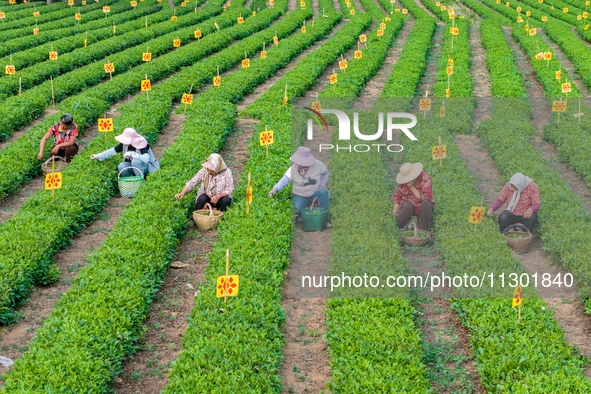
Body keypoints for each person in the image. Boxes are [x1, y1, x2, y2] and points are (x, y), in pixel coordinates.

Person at [268, 146, 329, 214]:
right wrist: (275, 189)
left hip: (314, 193)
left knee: (324, 192)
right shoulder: (293, 169)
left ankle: (323, 215)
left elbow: (325, 173)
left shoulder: (318, 165)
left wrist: (322, 184)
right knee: (296, 209)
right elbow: (284, 180)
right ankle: (301, 215)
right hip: (300, 195)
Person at [90, 127, 159, 178]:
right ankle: (130, 182)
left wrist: (133, 154)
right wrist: (99, 156)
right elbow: (112, 151)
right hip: (135, 167)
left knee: (135, 161)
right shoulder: (124, 144)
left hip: (148, 167)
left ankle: (140, 181)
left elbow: (146, 159)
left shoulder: (141, 143)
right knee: (122, 166)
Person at [392, 162, 434, 231]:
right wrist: (395, 209)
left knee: (426, 204)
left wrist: (412, 187)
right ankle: (399, 228)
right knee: (407, 206)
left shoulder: (425, 179)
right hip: (409, 203)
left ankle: (424, 230)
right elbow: (397, 196)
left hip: (422, 205)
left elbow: (426, 198)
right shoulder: (403, 183)